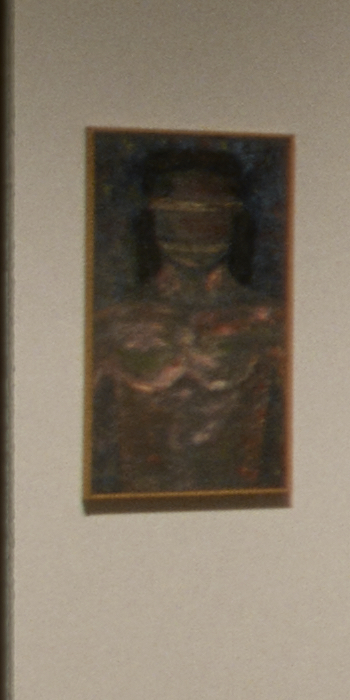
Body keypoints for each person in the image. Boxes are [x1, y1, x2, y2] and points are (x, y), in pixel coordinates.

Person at [90, 143, 286, 496]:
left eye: (212, 211)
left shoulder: (270, 324)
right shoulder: (111, 325)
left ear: (233, 217)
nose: (196, 225)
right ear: (155, 214)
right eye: (181, 210)